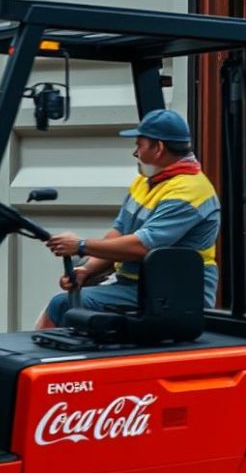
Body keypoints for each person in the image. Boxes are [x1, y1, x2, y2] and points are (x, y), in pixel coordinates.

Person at [36, 109, 220, 328]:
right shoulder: (145, 182)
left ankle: (44, 360)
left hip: (173, 294)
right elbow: (119, 233)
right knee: (67, 302)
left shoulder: (189, 191)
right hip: (135, 286)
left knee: (62, 305)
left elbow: (142, 246)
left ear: (158, 148)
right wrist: (86, 270)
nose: (135, 153)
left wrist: (81, 246)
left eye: (139, 145)